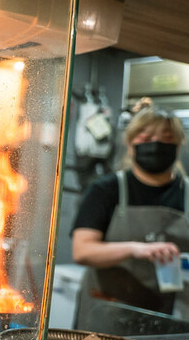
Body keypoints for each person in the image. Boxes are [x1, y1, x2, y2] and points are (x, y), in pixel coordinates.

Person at [71, 100, 189, 318]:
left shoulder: (187, 192)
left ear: (178, 145)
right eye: (146, 138)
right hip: (109, 313)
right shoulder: (106, 189)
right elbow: (83, 251)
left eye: (166, 139)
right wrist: (136, 249)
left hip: (173, 318)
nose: (156, 144)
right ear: (130, 142)